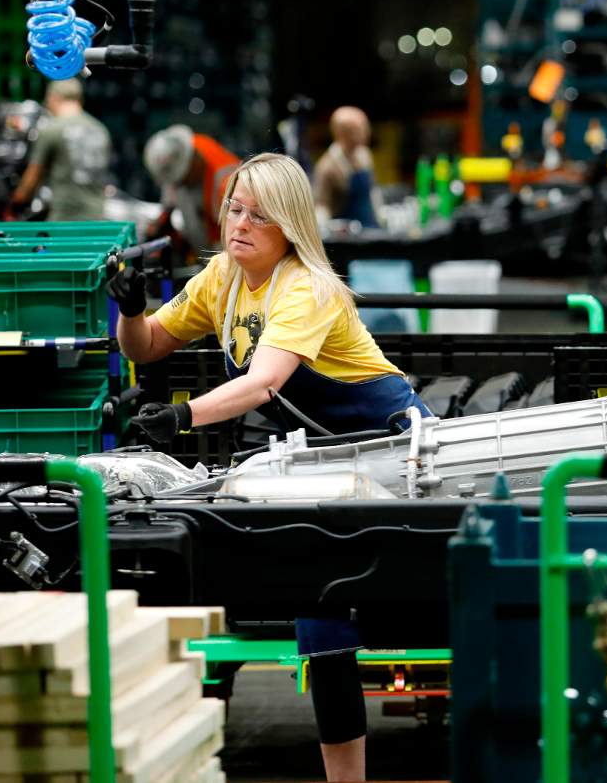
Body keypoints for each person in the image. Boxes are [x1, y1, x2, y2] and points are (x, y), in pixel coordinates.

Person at [108, 152, 430, 782]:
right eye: (235, 207)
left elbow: (262, 384)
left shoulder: (305, 286)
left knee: (327, 609)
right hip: (321, 465)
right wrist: (131, 310)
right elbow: (147, 347)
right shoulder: (222, 278)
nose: (241, 223)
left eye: (260, 214)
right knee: (318, 605)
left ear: (290, 225)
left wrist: (181, 417)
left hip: (390, 455)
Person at [11, 79, 113, 220]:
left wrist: (15, 203)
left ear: (53, 98)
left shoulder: (51, 129)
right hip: (97, 217)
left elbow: (33, 178)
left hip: (65, 219)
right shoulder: (100, 130)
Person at [143, 125, 241, 257]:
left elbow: (240, 241)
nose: (178, 185)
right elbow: (172, 191)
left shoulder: (227, 185)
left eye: (181, 179)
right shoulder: (184, 148)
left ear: (192, 161)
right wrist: (163, 219)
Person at [313, 106, 379, 227]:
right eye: (359, 129)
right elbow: (321, 206)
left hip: (371, 226)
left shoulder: (365, 155)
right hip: (348, 236)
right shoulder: (328, 166)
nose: (366, 132)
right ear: (342, 132)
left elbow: (372, 190)